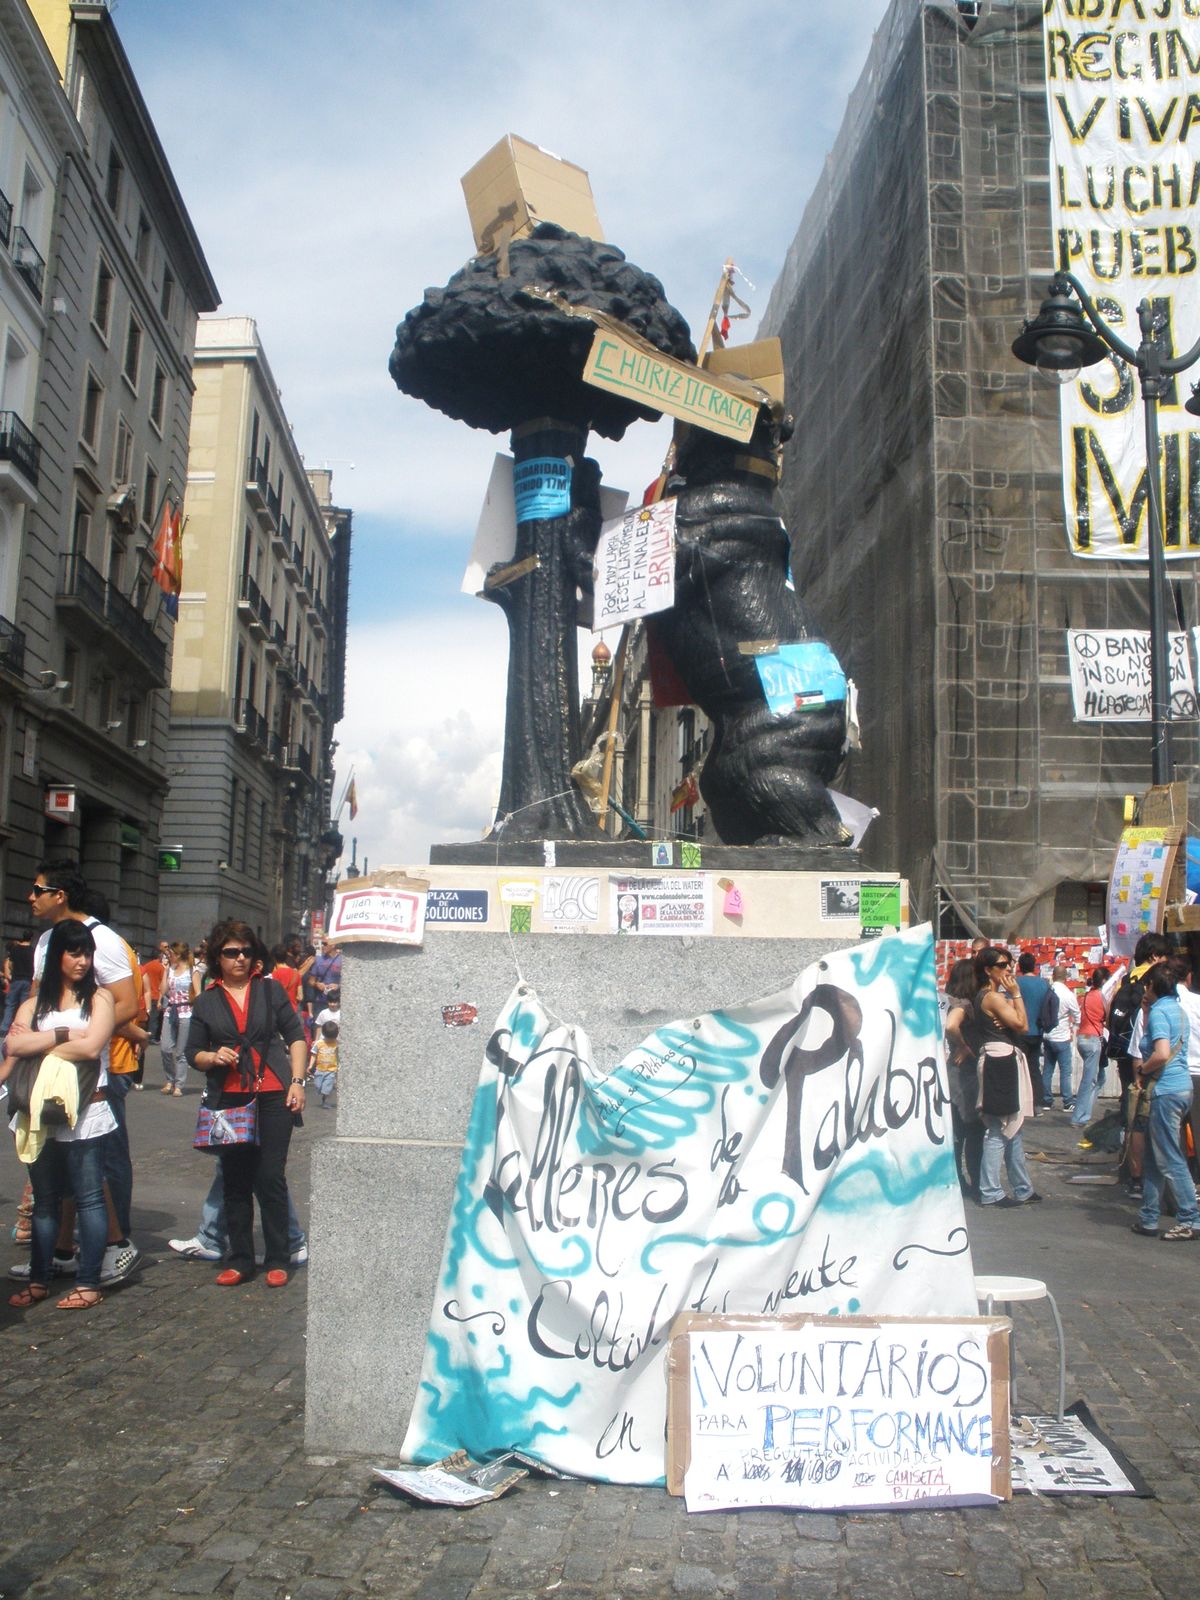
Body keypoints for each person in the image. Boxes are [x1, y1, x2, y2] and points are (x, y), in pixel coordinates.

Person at [28, 864, 141, 1284]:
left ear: (60, 895)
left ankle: (116, 1244)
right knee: (59, 1166)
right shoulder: (44, 941)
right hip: (48, 1069)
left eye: (38, 889)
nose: (31, 896)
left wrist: (84, 1033)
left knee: (100, 1166)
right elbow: (36, 1001)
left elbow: (127, 1003)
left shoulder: (104, 940)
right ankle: (60, 1250)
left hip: (90, 1073)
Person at [2, 921, 116, 1309]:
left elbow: (93, 1048)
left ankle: (88, 1282)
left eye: (87, 953)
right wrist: (64, 1036)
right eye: (74, 952)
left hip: (87, 1109)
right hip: (39, 1109)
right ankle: (39, 1279)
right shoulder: (35, 1003)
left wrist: (38, 1046)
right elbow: (13, 1044)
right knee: (45, 1200)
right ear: (57, 957)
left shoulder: (99, 998)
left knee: (89, 1198)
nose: (83, 961)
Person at [185, 922, 307, 1286]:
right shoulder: (207, 1000)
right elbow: (192, 1052)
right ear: (217, 957)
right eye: (231, 952)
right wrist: (212, 1056)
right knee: (235, 1181)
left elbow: (297, 1037)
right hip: (230, 1097)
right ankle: (239, 1259)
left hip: (273, 1093)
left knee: (270, 1177)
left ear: (255, 956)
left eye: (246, 952)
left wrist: (298, 1082)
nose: (240, 958)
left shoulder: (270, 991)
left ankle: (278, 1257)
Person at [963, 945, 1040, 1208]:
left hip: (1002, 1058)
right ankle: (991, 1190)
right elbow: (1023, 1025)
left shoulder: (992, 997)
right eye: (1002, 965)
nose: (1008, 969)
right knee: (999, 1127)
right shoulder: (992, 998)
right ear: (988, 970)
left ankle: (1022, 1187)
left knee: (1012, 1126)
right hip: (1000, 1060)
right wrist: (1015, 995)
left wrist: (1011, 1001)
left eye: (1010, 963)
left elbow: (1018, 1022)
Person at [1130, 964, 1198, 1241]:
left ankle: (1190, 1218)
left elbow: (1160, 1053)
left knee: (1169, 1158)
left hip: (1166, 1090)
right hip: (1181, 1088)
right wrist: (1146, 1012)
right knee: (1155, 1158)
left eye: (1147, 985)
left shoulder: (1160, 1012)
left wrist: (1142, 1070)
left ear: (1153, 987)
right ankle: (1148, 1216)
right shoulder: (1176, 1010)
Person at [1108, 933, 1171, 1198]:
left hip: (1125, 1052)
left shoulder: (1127, 977)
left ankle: (1129, 1173)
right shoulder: (1155, 979)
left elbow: (1110, 1007)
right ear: (1155, 956)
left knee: (1130, 1111)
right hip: (1145, 1055)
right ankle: (1146, 1176)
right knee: (1146, 1117)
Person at [942, 959, 983, 1202]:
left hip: (950, 1072)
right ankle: (975, 1182)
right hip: (964, 1073)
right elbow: (951, 1026)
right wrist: (965, 1046)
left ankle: (958, 1180)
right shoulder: (965, 1004)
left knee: (957, 1133)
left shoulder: (945, 1000)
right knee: (973, 1131)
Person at [1071, 967, 1110, 1129]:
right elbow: (1108, 1017)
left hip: (1082, 1037)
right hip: (1093, 1039)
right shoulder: (1101, 997)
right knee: (1090, 1080)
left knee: (1099, 1078)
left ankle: (1084, 1113)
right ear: (1103, 981)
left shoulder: (1087, 995)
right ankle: (1079, 1116)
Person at [1041, 964, 1080, 1112]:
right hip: (1062, 1037)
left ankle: (1046, 1100)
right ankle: (1067, 1101)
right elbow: (1077, 1014)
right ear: (1066, 977)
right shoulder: (1068, 994)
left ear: (1053, 976)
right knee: (1065, 1071)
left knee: (1047, 1069)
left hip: (1047, 1036)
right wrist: (1074, 1026)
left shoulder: (1047, 991)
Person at [1014, 953, 1051, 1112]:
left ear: (1020, 966)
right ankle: (1037, 1103)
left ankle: (1021, 1102)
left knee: (1018, 1067)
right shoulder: (1043, 984)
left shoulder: (1016, 983)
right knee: (1034, 1067)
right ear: (1034, 965)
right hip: (1037, 1031)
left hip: (1019, 1030)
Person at [160, 942, 197, 1095]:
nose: (169, 956)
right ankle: (170, 1079)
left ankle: (179, 1085)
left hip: (186, 1011)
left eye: (171, 954)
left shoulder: (192, 971)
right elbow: (163, 990)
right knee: (165, 1047)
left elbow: (198, 992)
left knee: (181, 1052)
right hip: (171, 1010)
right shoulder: (170, 970)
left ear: (178, 955)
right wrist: (165, 972)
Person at [311, 1016, 339, 1109]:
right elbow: (314, 1054)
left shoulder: (337, 1044)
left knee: (326, 1089)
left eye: (332, 1038)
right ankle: (323, 1094)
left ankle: (325, 1100)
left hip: (331, 1070)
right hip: (319, 1069)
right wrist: (310, 1065)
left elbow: (339, 1055)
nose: (331, 1040)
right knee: (318, 1087)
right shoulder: (319, 1043)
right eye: (329, 1038)